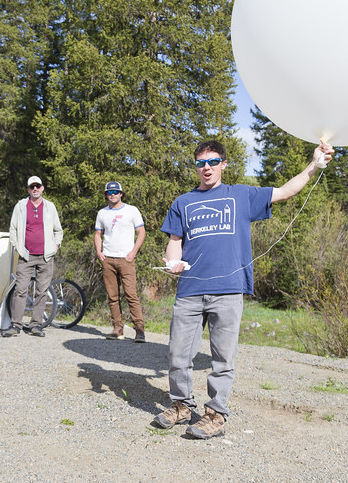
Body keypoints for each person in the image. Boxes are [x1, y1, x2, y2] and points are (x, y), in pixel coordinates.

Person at [154, 139, 333, 439]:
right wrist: (173, 263)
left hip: (228, 289)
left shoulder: (241, 195)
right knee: (177, 354)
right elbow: (175, 243)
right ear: (196, 167)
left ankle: (215, 415)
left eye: (212, 162)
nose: (206, 168)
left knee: (222, 359)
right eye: (201, 163)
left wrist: (314, 164)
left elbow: (286, 191)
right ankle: (181, 405)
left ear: (224, 164)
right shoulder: (182, 202)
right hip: (189, 290)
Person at [4, 175, 63, 338]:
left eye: (38, 186)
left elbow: (58, 230)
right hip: (26, 255)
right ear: (28, 189)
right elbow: (13, 228)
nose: (35, 189)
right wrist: (17, 246)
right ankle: (16, 325)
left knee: (42, 291)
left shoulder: (50, 207)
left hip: (46, 256)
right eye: (32, 187)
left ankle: (36, 325)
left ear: (43, 188)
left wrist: (56, 246)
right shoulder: (21, 206)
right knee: (20, 290)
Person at [93, 180, 146, 342]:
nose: (113, 194)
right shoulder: (102, 213)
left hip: (126, 259)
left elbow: (141, 232)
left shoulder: (131, 210)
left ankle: (139, 330)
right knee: (112, 296)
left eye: (116, 192)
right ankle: (118, 328)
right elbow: (97, 234)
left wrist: (133, 252)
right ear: (106, 195)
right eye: (109, 192)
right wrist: (99, 253)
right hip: (108, 259)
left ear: (121, 194)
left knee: (131, 294)